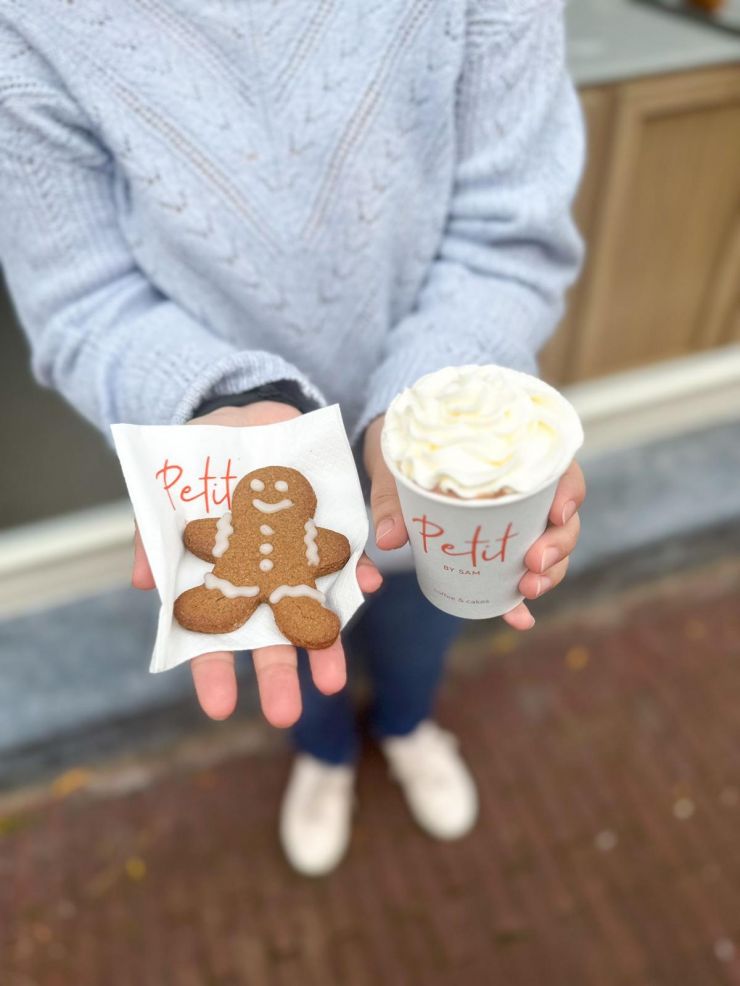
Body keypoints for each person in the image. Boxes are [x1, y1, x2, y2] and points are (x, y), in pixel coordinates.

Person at [0, 1, 586, 875]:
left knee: (426, 616)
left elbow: (510, 228)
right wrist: (232, 399)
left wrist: (428, 415)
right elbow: (81, 300)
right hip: (227, 450)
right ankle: (326, 754)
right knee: (293, 654)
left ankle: (407, 724)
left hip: (432, 461)